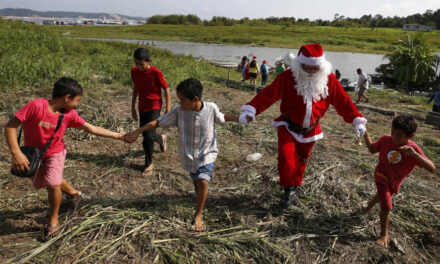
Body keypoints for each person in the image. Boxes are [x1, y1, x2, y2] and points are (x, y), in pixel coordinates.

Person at [239, 43, 366, 208]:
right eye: (307, 68)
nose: (312, 72)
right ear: (300, 64)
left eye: (315, 68)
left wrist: (356, 119)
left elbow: (343, 102)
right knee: (287, 158)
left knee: (301, 161)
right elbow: (268, 94)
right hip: (288, 126)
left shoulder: (330, 80)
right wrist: (251, 110)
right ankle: (287, 190)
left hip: (311, 130)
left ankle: (294, 187)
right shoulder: (288, 77)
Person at [5, 77, 127, 238]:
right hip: (35, 154)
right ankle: (74, 194)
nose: (77, 104)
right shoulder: (36, 106)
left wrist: (120, 136)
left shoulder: (70, 114)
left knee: (53, 184)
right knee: (48, 180)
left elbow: (91, 128)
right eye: (77, 100)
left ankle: (53, 220)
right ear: (67, 98)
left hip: (55, 152)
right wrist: (16, 153)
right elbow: (10, 126)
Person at [125, 78, 239, 231]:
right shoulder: (179, 111)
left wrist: (240, 118)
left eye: (183, 100)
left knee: (203, 181)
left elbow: (222, 117)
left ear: (195, 99)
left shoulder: (211, 108)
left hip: (207, 153)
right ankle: (199, 197)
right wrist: (137, 131)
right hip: (189, 155)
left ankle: (198, 214)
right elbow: (158, 122)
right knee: (197, 181)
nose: (180, 103)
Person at [362, 115, 436, 248]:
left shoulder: (413, 150)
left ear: (410, 136)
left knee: (382, 196)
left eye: (398, 135)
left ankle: (370, 205)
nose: (393, 137)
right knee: (386, 204)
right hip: (381, 175)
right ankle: (384, 234)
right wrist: (365, 134)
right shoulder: (386, 140)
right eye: (392, 132)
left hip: (394, 181)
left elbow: (432, 169)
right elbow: (372, 149)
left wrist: (415, 155)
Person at [131, 48, 171, 177]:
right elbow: (136, 88)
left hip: (155, 106)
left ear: (149, 61)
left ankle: (148, 163)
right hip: (142, 106)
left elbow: (166, 88)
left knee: (148, 136)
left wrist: (168, 107)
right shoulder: (134, 71)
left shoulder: (156, 72)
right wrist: (132, 107)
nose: (139, 66)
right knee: (146, 134)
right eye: (136, 63)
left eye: (141, 64)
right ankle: (161, 138)